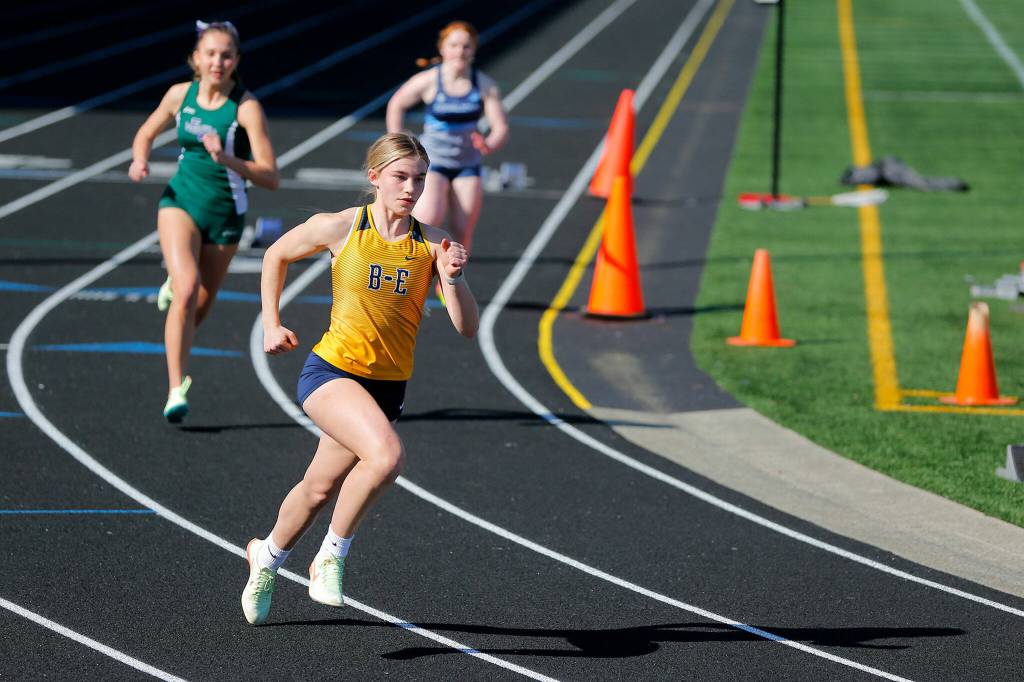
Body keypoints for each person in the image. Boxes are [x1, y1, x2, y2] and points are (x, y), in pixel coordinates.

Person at [240, 132, 478, 626]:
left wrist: (452, 279)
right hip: (331, 371)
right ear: (374, 178)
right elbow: (274, 255)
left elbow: (467, 328)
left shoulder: (432, 243)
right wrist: (271, 321)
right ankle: (330, 555)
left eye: (418, 179)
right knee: (387, 456)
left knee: (318, 488)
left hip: (387, 387)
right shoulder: (342, 227)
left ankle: (266, 556)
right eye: (399, 177)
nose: (410, 188)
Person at [128, 20, 279, 422]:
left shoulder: (245, 108)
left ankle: (177, 288)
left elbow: (271, 175)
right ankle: (176, 387)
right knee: (187, 288)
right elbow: (145, 132)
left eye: (226, 54)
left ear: (236, 60)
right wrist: (140, 158)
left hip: (226, 215)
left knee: (199, 305)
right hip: (180, 201)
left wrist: (226, 159)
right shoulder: (180, 95)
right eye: (210, 53)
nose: (218, 61)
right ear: (196, 58)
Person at [385, 20, 509, 255]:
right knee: (427, 219)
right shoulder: (430, 80)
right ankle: (416, 273)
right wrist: (398, 141)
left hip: (467, 164)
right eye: (454, 45)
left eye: (466, 46)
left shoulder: (483, 84)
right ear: (443, 48)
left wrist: (489, 143)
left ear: (473, 50)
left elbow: (500, 126)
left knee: (462, 230)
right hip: (434, 163)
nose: (460, 52)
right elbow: (396, 104)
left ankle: (450, 283)